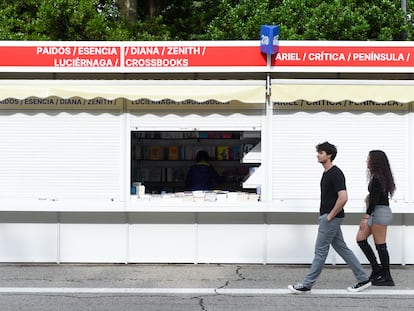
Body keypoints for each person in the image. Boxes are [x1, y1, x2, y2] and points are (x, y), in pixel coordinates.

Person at [288, 142, 371, 293]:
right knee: (343, 250)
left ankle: (307, 284)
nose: (318, 155)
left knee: (320, 252)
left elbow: (343, 197)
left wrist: (329, 216)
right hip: (329, 218)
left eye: (321, 152)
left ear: (329, 155)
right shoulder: (327, 173)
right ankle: (363, 279)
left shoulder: (335, 173)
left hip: (331, 219)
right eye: (318, 152)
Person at [356, 150, 396, 286]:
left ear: (375, 161)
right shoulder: (378, 177)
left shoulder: (378, 178)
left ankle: (387, 277)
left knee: (381, 245)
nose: (366, 161)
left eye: (368, 159)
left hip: (379, 213)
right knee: (361, 239)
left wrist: (365, 218)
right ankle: (377, 268)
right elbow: (374, 197)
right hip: (376, 212)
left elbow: (374, 200)